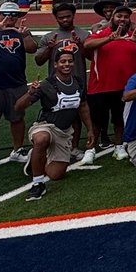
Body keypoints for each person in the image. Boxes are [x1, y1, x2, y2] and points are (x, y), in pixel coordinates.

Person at [14, 50, 95, 201]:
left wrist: (90, 129)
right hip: (46, 126)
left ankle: (36, 159)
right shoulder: (46, 84)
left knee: (56, 175)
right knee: (41, 139)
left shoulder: (78, 82)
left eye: (70, 61)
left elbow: (83, 107)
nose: (67, 64)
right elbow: (18, 107)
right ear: (55, 64)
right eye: (63, 61)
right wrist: (30, 93)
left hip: (64, 132)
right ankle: (38, 184)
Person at [83, 3, 136, 157]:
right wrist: (109, 38)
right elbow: (87, 44)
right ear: (112, 18)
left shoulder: (133, 35)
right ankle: (90, 149)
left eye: (126, 17)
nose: (123, 19)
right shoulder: (101, 33)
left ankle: (118, 146)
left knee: (119, 119)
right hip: (100, 86)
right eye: (119, 16)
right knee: (97, 121)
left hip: (124, 86)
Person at [0, 1, 38, 170]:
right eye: (5, 14)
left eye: (13, 15)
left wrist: (25, 35)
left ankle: (17, 150)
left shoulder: (21, 33)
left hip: (16, 83)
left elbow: (33, 49)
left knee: (17, 118)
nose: (9, 18)